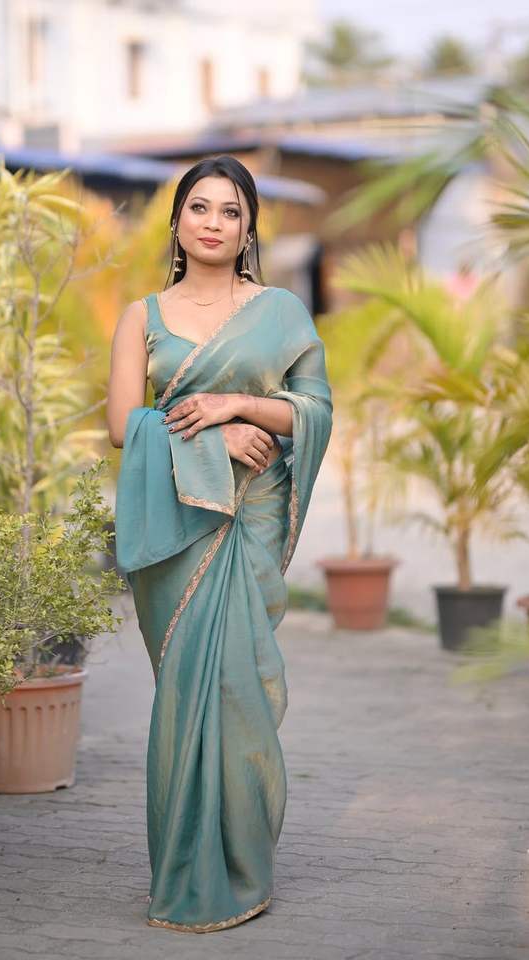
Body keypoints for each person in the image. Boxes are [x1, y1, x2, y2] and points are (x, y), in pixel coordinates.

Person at [107, 155, 332, 933]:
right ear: (176, 223)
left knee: (240, 693)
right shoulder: (142, 315)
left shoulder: (280, 312)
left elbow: (312, 410)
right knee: (184, 699)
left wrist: (240, 404)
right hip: (178, 525)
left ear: (248, 230)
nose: (212, 222)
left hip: (250, 519)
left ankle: (240, 867)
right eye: (198, 207)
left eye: (230, 211)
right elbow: (121, 426)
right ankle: (184, 871)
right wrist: (216, 438)